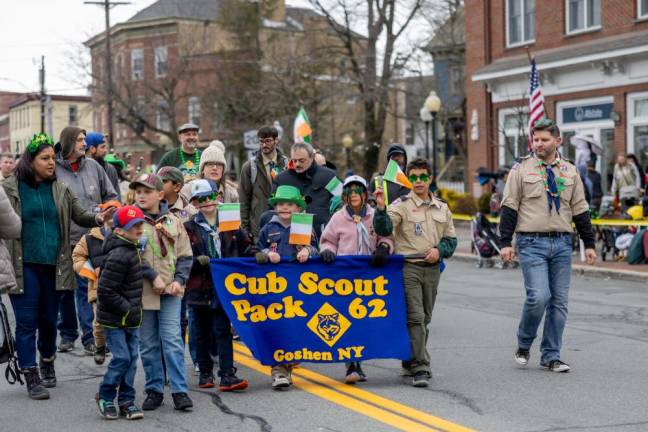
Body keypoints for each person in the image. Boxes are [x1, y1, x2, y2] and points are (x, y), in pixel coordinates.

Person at [2, 133, 114, 400]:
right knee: (27, 321)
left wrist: (100, 217)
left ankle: (47, 360)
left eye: (53, 158)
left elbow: (80, 214)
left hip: (55, 264)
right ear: (30, 161)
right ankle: (30, 374)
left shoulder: (60, 188)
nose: (52, 163)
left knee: (50, 321)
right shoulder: (10, 188)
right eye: (45, 158)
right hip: (23, 264)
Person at [499, 118, 596, 373]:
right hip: (531, 242)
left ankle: (551, 355)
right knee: (539, 297)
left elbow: (580, 210)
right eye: (536, 139)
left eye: (544, 139)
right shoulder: (521, 169)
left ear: (558, 141)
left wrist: (589, 243)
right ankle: (524, 342)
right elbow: (509, 206)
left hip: (563, 242)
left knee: (559, 302)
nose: (539, 144)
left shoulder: (570, 171)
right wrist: (505, 243)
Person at [373, 158, 458, 388]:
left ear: (430, 179)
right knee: (416, 317)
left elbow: (451, 240)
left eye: (423, 177)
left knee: (426, 318)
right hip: (409, 267)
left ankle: (410, 357)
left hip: (432, 269)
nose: (418, 181)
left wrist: (439, 251)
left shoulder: (442, 207)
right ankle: (421, 366)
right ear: (408, 179)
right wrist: (380, 209)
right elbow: (384, 228)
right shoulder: (400, 205)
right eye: (414, 177)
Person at [319, 175, 393, 384]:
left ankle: (359, 362)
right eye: (349, 191)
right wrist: (327, 251)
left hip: (369, 277)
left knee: (364, 320)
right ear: (345, 195)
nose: (354, 195)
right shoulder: (338, 218)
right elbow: (328, 241)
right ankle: (351, 364)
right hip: (345, 276)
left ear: (364, 194)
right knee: (347, 320)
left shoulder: (373, 215)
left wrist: (384, 247)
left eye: (358, 191)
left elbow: (386, 236)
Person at [130, 173, 194, 412]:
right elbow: (128, 254)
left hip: (170, 291)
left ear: (160, 194)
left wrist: (179, 280)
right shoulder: (132, 222)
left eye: (147, 191)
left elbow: (186, 255)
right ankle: (154, 389)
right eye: (138, 192)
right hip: (144, 291)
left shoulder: (173, 221)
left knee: (173, 341)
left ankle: (179, 391)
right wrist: (152, 276)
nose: (142, 196)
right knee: (147, 344)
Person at [95, 205, 164, 420]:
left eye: (140, 224)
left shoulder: (131, 248)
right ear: (119, 231)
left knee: (131, 359)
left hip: (131, 318)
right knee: (122, 358)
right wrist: (127, 309)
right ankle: (105, 395)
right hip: (116, 319)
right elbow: (105, 290)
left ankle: (126, 400)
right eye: (133, 225)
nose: (139, 229)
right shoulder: (118, 255)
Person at [184, 179, 253, 392]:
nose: (206, 203)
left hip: (224, 287)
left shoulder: (230, 222)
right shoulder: (189, 227)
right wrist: (197, 261)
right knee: (202, 331)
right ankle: (205, 372)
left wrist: (258, 254)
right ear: (194, 203)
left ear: (218, 198)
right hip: (199, 286)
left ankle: (227, 374)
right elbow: (183, 257)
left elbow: (244, 247)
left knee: (222, 330)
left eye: (210, 197)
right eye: (200, 200)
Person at [55, 126, 118, 355]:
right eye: (80, 140)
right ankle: (68, 333)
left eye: (84, 140)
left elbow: (112, 196)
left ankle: (90, 338)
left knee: (87, 288)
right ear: (69, 142)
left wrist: (107, 208)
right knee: (64, 289)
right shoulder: (54, 169)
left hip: (92, 237)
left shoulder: (93, 166)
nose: (84, 144)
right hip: (63, 238)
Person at [255, 185, 318, 389]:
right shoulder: (268, 227)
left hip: (299, 286)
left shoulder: (304, 226)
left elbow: (316, 247)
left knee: (296, 324)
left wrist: (308, 251)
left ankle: (289, 360)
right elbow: (257, 249)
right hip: (275, 285)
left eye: (290, 204)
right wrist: (266, 254)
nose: (284, 208)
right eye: (281, 203)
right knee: (277, 323)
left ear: (298, 208)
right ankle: (278, 369)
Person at [72, 200, 121, 365]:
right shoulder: (89, 238)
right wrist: (90, 272)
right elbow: (77, 257)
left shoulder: (124, 234)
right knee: (99, 323)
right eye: (109, 211)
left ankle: (120, 352)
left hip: (121, 288)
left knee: (121, 321)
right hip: (98, 288)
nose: (112, 215)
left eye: (116, 211)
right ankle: (100, 346)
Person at [272, 142, 337, 237]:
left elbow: (342, 200)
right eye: (294, 161)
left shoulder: (329, 176)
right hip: (289, 237)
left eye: (302, 160)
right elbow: (272, 206)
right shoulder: (281, 179)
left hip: (323, 235)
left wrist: (331, 223)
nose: (297, 164)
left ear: (312, 157)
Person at [239, 126, 288, 242]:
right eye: (261, 141)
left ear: (276, 141)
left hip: (284, 225)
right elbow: (244, 201)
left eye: (268, 141)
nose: (264, 145)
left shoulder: (287, 165)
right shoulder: (249, 167)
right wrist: (245, 230)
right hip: (258, 229)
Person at [85, 132, 121, 198]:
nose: (105, 150)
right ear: (92, 148)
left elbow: (116, 197)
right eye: (102, 147)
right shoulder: (79, 169)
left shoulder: (110, 170)